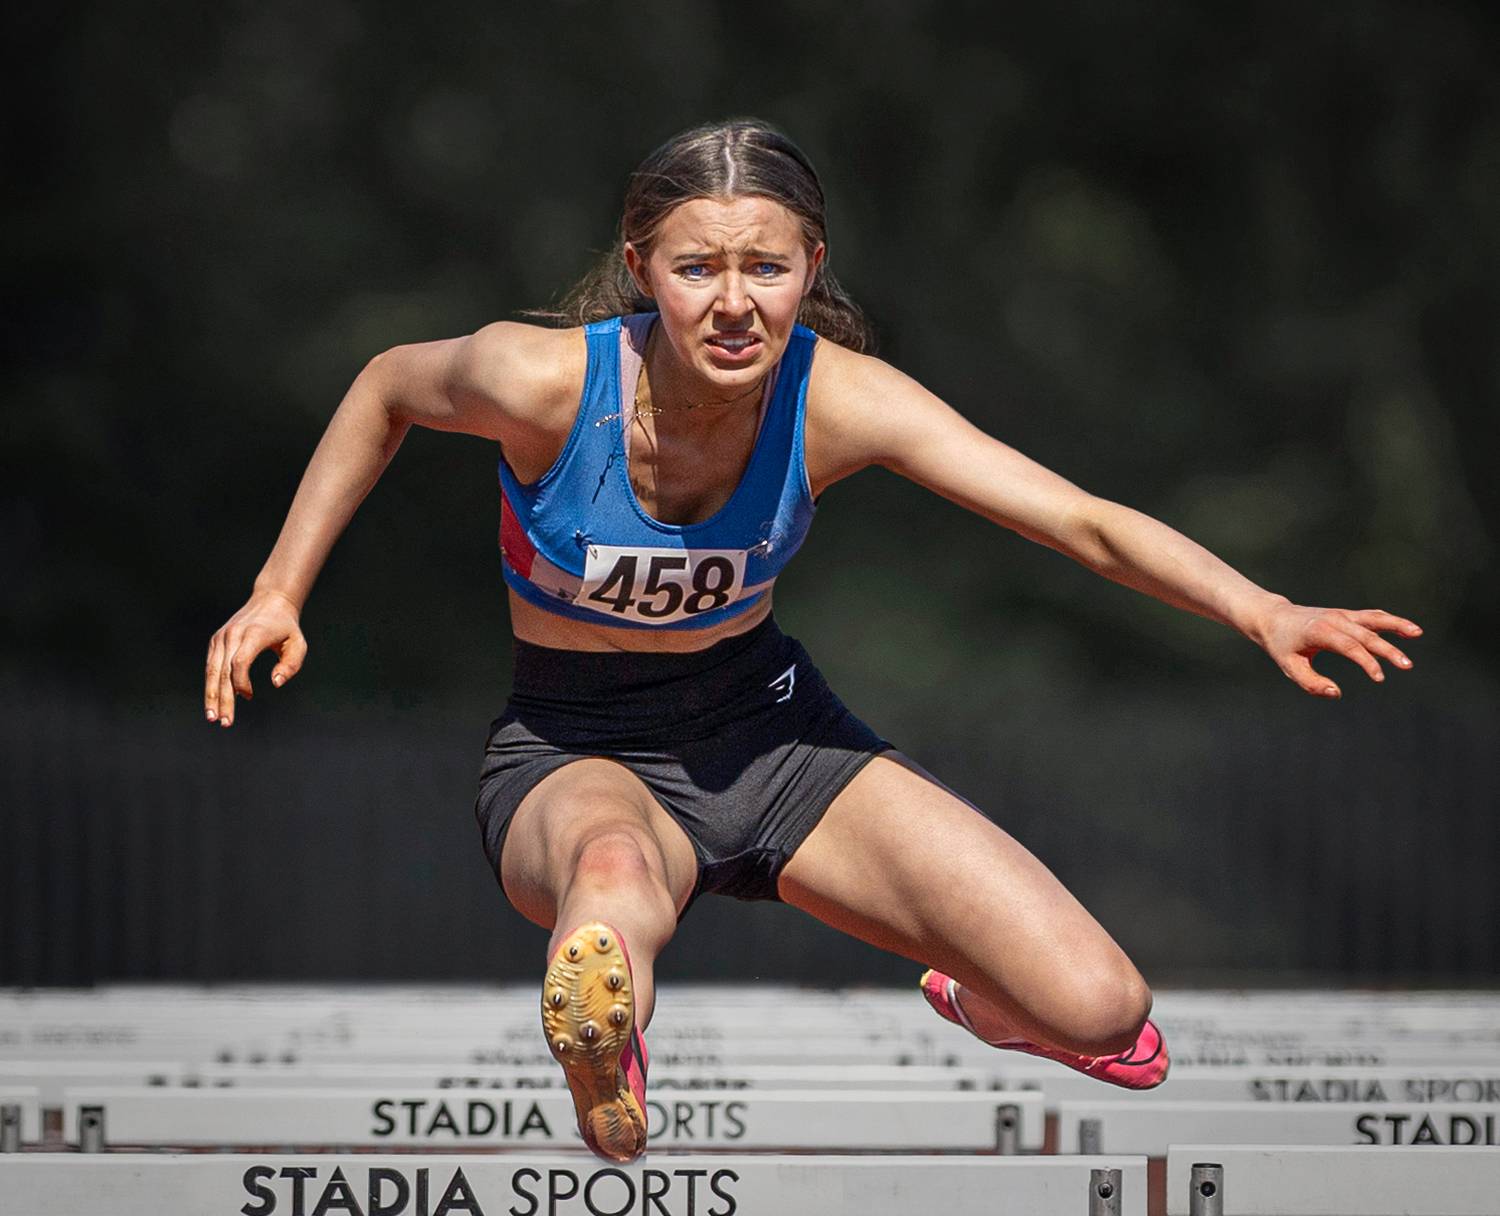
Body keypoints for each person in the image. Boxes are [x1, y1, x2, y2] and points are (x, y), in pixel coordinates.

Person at [203, 118, 1422, 1163]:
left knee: (1105, 1007)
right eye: (697, 268)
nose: (734, 303)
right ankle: (609, 1038)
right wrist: (278, 589)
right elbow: (385, 386)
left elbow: (1078, 520)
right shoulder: (540, 383)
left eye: (767, 268)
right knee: (614, 879)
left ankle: (983, 999)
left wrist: (1261, 607)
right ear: (642, 267)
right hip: (577, 746)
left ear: (811, 268)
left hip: (776, 737)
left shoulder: (839, 399)